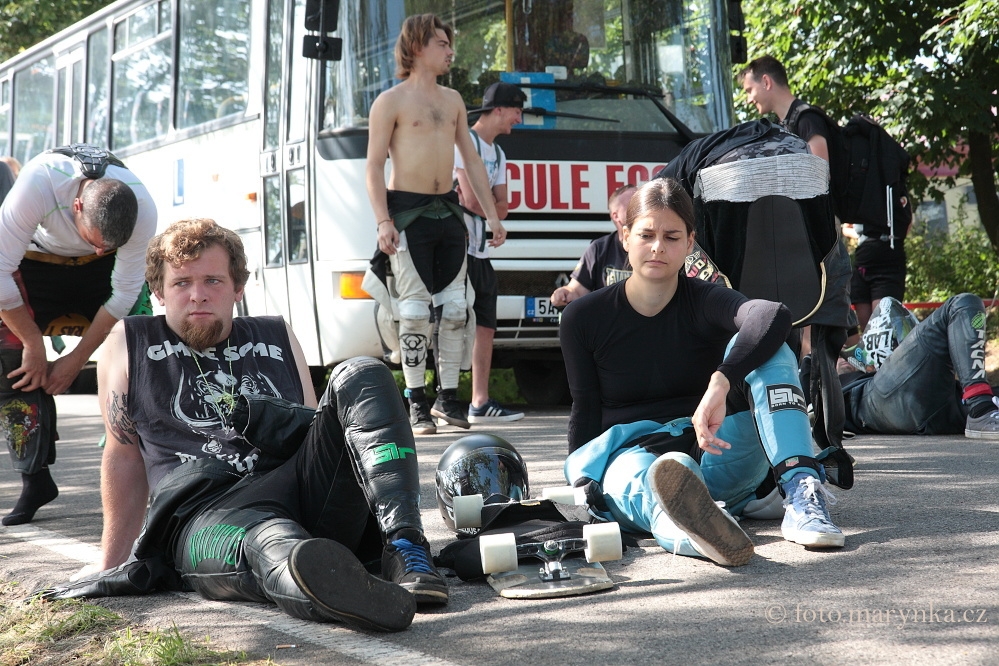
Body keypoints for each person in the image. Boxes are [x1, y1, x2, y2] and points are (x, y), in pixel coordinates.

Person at [44, 218, 447, 632]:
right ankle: (327, 583)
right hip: (203, 515)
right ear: (158, 291)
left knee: (362, 372)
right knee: (268, 540)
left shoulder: (276, 334)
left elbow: (316, 434)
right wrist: (111, 563)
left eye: (213, 280)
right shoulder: (130, 340)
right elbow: (123, 456)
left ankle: (406, 547)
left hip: (298, 488)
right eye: (181, 283)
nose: (198, 295)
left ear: (238, 287)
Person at [559, 178, 845, 567]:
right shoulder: (583, 317)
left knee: (771, 349)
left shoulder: (704, 299)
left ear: (690, 242)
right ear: (625, 237)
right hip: (636, 457)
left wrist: (722, 379)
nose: (658, 247)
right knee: (662, 476)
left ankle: (800, 490)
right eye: (646, 235)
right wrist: (579, 482)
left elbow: (772, 315)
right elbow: (585, 407)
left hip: (716, 447)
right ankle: (698, 529)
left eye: (671, 236)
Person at [0, 144, 156, 526]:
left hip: (101, 275)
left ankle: (149, 467)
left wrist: (75, 361)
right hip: (36, 262)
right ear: (77, 207)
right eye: (95, 239)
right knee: (8, 358)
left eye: (109, 244)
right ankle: (35, 478)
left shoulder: (143, 209)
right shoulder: (38, 183)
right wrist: (33, 343)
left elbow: (123, 295)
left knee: (144, 345)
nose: (100, 248)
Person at [366, 13, 504, 435]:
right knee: (412, 311)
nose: (450, 51)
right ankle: (416, 403)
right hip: (408, 212)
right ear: (417, 47)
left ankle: (448, 399)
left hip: (448, 210)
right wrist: (383, 220)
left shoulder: (453, 99)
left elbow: (473, 161)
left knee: (456, 308)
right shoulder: (390, 101)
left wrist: (492, 216)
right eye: (442, 44)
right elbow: (373, 166)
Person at [739, 56, 906, 331]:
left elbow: (818, 176)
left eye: (749, 90)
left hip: (826, 234)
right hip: (817, 233)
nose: (749, 98)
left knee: (836, 318)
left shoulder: (806, 119)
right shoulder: (789, 123)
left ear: (766, 82)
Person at [454, 82, 526, 423]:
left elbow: (503, 205)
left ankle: (479, 402)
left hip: (481, 251)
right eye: (516, 111)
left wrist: (489, 209)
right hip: (456, 248)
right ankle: (443, 397)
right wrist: (491, 209)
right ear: (498, 109)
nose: (519, 120)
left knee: (486, 323)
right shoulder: (462, 143)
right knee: (450, 320)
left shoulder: (497, 153)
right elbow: (469, 199)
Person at [833, 294, 999, 439]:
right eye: (836, 356)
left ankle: (981, 406)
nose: (840, 356)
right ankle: (980, 408)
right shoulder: (827, 383)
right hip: (873, 400)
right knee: (963, 303)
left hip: (937, 400)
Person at [550, 184, 637, 307]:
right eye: (632, 204)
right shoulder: (598, 249)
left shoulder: (655, 247)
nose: (640, 208)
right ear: (615, 215)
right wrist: (565, 293)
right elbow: (577, 290)